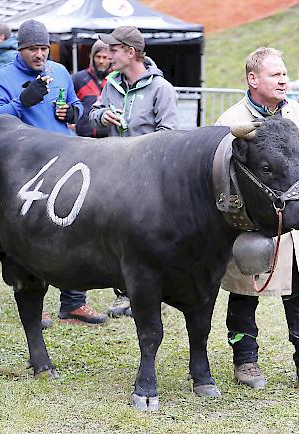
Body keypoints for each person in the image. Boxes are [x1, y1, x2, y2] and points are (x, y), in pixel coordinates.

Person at [215, 47, 299, 392]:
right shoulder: (232, 121)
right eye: (275, 74)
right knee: (244, 295)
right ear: (253, 79)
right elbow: (223, 179)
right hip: (250, 226)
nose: (283, 79)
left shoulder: (297, 113)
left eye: (284, 73)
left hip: (294, 223)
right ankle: (245, 361)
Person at [0, 19, 107, 326]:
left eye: (43, 48)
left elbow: (76, 105)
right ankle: (32, 304)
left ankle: (74, 303)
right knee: (31, 236)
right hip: (25, 167)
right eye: (32, 50)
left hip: (64, 161)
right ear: (20, 48)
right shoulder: (2, 76)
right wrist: (22, 101)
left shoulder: (60, 71)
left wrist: (73, 112)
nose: (39, 55)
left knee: (76, 230)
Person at [89, 26, 178, 317]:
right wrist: (103, 115)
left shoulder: (161, 89)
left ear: (130, 52)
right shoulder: (110, 83)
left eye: (113, 50)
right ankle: (123, 293)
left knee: (150, 238)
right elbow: (94, 113)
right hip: (115, 175)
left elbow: (169, 134)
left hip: (150, 178)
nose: (107, 56)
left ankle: (158, 293)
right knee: (117, 236)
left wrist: (140, 148)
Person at [72, 39, 111, 138]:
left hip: (110, 139)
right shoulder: (78, 78)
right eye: (98, 57)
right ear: (92, 57)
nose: (101, 61)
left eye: (105, 57)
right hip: (83, 138)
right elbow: (67, 100)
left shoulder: (116, 80)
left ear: (110, 58)